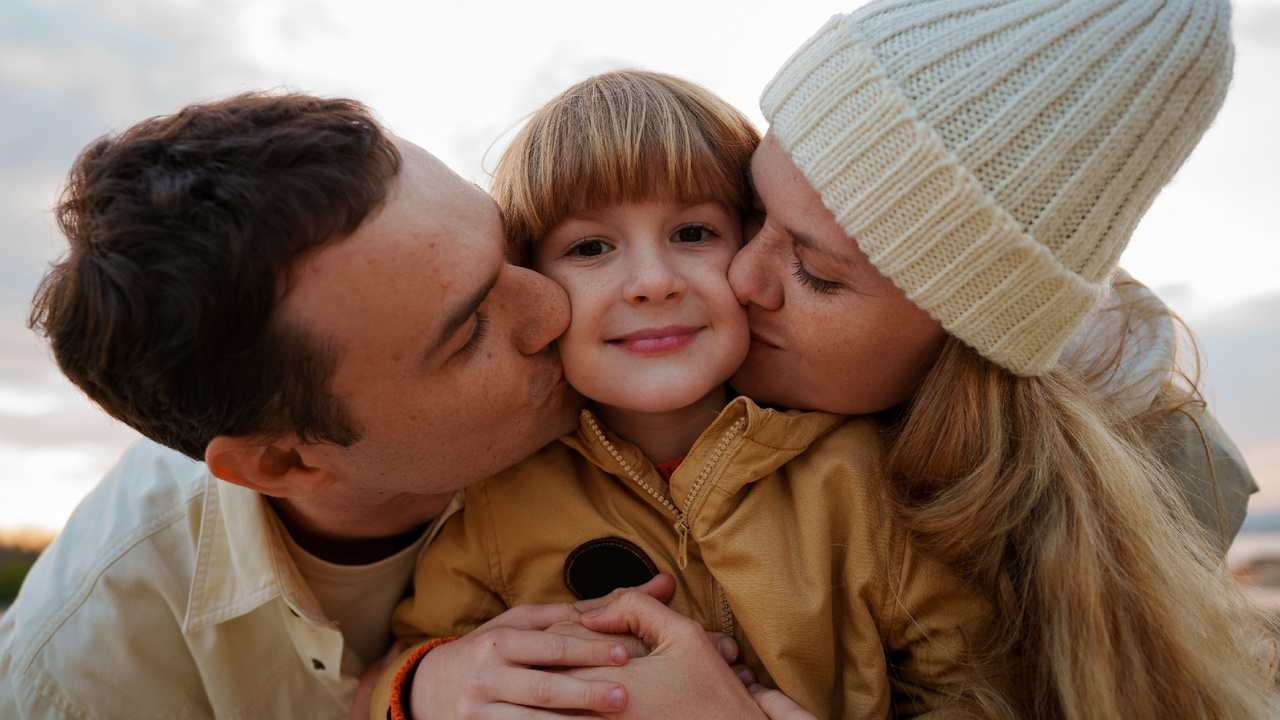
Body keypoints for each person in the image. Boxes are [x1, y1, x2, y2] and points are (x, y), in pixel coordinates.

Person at [574, 0, 1276, 717]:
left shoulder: (1097, 577)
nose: (739, 278)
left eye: (814, 272)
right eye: (751, 212)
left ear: (964, 344)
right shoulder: (609, 393)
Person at [0, 92, 669, 719]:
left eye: (507, 245)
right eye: (468, 333)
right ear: (286, 463)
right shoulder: (81, 678)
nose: (555, 306)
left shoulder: (651, 349)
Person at [371, 68, 1008, 719]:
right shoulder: (497, 500)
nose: (653, 281)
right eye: (591, 247)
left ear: (750, 241)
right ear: (534, 283)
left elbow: (980, 688)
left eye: (693, 233)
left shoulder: (867, 477)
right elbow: (398, 667)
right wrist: (424, 684)